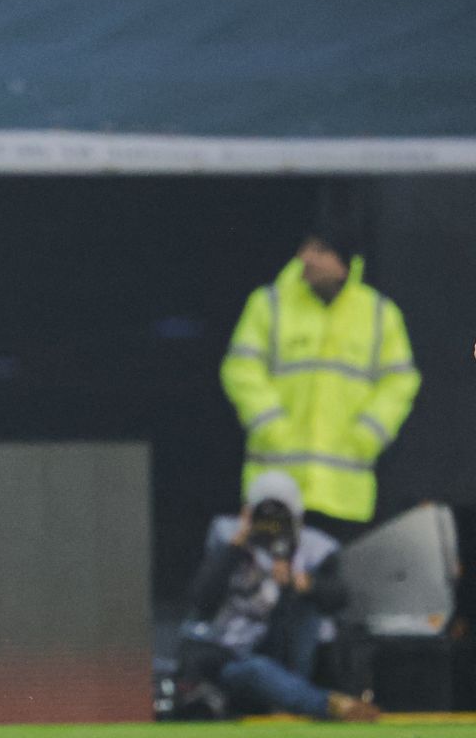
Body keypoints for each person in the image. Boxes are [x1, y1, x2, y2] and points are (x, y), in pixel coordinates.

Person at [220, 201, 420, 537]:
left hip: (344, 494)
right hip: (276, 486)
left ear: (343, 263)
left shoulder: (378, 314)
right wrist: (270, 424)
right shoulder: (269, 305)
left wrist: (368, 433)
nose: (306, 257)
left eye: (320, 250)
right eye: (306, 246)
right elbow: (240, 368)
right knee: (273, 582)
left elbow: (400, 381)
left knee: (333, 586)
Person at [178, 471, 378, 721]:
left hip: (278, 654)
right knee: (255, 670)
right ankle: (328, 705)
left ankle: (301, 696)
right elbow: (201, 601)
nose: (271, 527)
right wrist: (237, 545)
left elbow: (340, 598)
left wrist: (298, 583)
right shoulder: (227, 537)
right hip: (223, 658)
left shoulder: (313, 547)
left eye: (279, 520)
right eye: (264, 518)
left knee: (302, 616)